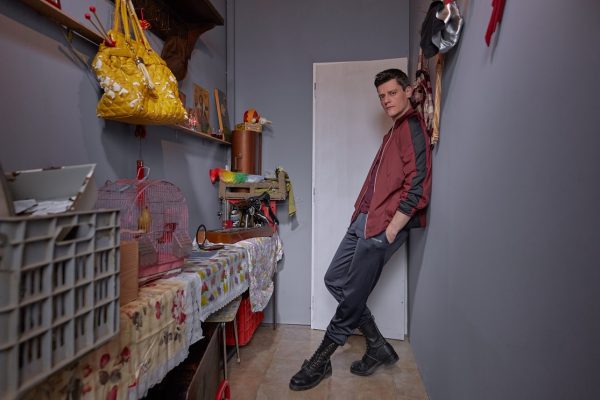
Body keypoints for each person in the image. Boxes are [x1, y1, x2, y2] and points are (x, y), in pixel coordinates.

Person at [289, 68, 432, 391]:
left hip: (383, 226)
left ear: (408, 92)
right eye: (382, 96)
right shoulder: (394, 131)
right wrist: (360, 217)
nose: (386, 100)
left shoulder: (412, 127)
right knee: (334, 279)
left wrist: (392, 230)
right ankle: (377, 345)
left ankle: (320, 360)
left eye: (392, 93)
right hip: (364, 220)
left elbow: (418, 185)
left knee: (352, 293)